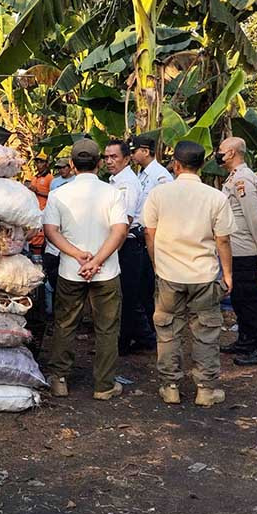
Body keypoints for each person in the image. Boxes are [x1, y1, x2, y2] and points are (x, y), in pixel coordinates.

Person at [143, 141, 235, 407]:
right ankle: (206, 389)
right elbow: (223, 240)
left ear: (176, 165)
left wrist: (156, 263)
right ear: (202, 165)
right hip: (203, 275)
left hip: (169, 273)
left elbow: (150, 233)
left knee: (168, 331)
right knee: (206, 333)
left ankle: (170, 386)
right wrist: (227, 273)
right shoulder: (215, 197)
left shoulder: (159, 195)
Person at [43, 139, 128, 401]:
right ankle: (104, 385)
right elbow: (120, 230)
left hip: (71, 270)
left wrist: (77, 255)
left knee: (65, 323)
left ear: (71, 165)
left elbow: (50, 231)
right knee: (107, 327)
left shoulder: (58, 194)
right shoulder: (112, 193)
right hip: (106, 272)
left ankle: (59, 379)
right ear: (99, 164)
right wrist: (97, 260)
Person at [216, 137, 257, 366]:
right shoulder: (234, 177)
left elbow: (254, 216)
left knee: (250, 298)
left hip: (244, 247)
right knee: (239, 297)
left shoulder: (242, 180)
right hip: (234, 247)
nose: (218, 154)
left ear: (231, 153)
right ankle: (246, 338)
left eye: (221, 150)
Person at [104, 140, 156, 355]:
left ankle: (123, 343)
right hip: (122, 243)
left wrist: (110, 252)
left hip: (127, 244)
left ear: (126, 159)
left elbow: (124, 223)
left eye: (114, 157)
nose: (109, 161)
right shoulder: (115, 180)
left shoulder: (127, 183)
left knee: (127, 295)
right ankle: (141, 336)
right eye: (106, 157)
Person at [130, 136, 174, 320]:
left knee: (147, 287)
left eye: (134, 151)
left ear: (145, 151)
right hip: (140, 237)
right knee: (139, 288)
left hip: (152, 238)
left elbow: (168, 208)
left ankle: (152, 331)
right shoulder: (141, 174)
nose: (131, 155)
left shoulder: (161, 176)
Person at [25, 153, 53, 354]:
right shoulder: (35, 176)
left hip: (43, 231)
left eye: (42, 161)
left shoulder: (49, 179)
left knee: (41, 276)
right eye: (37, 161)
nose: (39, 164)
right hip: (34, 230)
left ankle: (46, 310)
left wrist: (36, 190)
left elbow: (50, 197)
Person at [43, 158, 75, 295]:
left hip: (68, 231)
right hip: (54, 231)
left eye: (64, 167)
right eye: (59, 168)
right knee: (52, 272)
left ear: (71, 167)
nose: (61, 170)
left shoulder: (76, 182)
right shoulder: (55, 182)